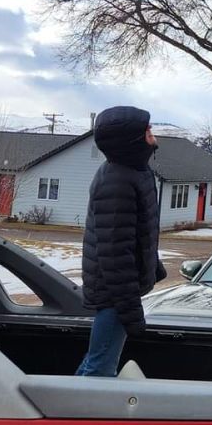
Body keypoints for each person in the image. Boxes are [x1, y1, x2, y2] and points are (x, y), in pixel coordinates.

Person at [78, 106, 166, 377]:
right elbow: (115, 254)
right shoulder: (116, 181)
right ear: (131, 140)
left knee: (101, 360)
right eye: (146, 130)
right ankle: (78, 416)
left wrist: (153, 266)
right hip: (114, 292)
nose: (152, 133)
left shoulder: (135, 170)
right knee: (100, 367)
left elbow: (138, 232)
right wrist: (131, 311)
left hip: (120, 287)